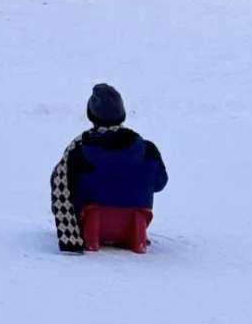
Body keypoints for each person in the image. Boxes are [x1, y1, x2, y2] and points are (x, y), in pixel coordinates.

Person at [50, 84, 168, 254]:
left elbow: (64, 189)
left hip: (91, 222)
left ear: (91, 115)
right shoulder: (148, 151)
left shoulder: (79, 154)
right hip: (136, 223)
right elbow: (160, 183)